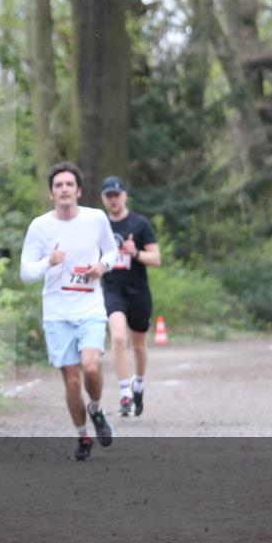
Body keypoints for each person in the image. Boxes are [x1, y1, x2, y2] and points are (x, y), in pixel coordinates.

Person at [20, 162, 119, 461]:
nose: (64, 189)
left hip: (89, 306)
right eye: (58, 185)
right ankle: (83, 436)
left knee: (90, 366)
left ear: (78, 191)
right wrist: (48, 262)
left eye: (68, 185)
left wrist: (103, 265)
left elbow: (112, 250)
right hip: (56, 313)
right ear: (51, 194)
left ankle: (97, 410)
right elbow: (26, 272)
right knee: (72, 380)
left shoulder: (95, 218)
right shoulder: (40, 226)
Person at [99, 176, 161, 417]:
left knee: (139, 346)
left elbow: (156, 259)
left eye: (117, 195)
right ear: (104, 199)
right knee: (118, 339)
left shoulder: (140, 224)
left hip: (138, 291)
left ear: (125, 195)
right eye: (109, 196)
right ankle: (125, 393)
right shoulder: (100, 225)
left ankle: (139, 384)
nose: (113, 200)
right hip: (112, 289)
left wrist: (136, 253)